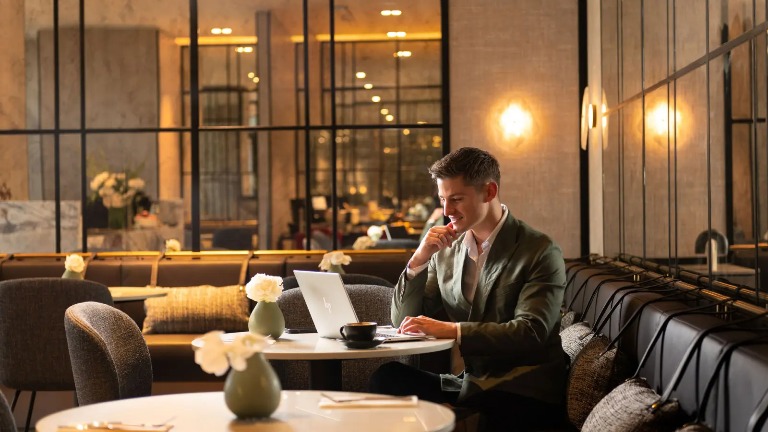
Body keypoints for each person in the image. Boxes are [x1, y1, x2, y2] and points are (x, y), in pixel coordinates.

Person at [370, 147, 567, 431]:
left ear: (489, 192)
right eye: (442, 199)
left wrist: (453, 330)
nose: (447, 211)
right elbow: (403, 319)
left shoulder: (539, 250)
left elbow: (531, 332)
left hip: (524, 388)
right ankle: (455, 415)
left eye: (456, 199)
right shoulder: (444, 253)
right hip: (471, 384)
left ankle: (455, 417)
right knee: (386, 377)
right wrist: (418, 259)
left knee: (481, 416)